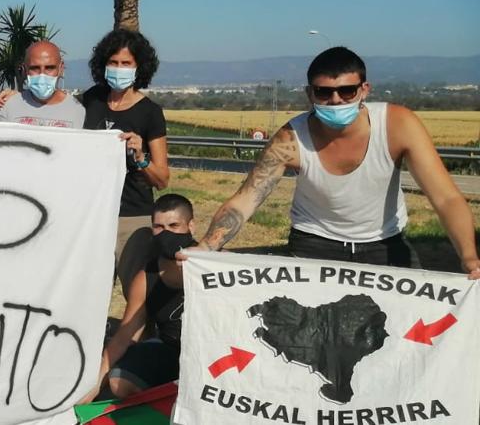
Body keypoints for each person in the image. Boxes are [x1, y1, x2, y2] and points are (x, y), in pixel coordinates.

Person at [192, 47, 480, 278]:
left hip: (384, 243)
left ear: (364, 90)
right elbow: (245, 200)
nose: (335, 100)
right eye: (323, 92)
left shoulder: (398, 124)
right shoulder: (291, 137)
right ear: (309, 94)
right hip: (314, 244)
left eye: (347, 91)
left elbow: (445, 198)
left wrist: (469, 259)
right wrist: (207, 247)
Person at [80, 29, 169, 297]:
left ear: (139, 67)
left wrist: (141, 158)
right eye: (113, 62)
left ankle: (138, 340)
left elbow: (162, 179)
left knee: (136, 293)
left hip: (133, 216)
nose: (118, 69)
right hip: (93, 214)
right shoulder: (90, 100)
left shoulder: (150, 112)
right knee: (91, 292)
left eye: (126, 63)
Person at [98, 194, 194, 398]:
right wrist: (94, 386)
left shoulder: (215, 264)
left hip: (211, 351)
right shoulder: (145, 277)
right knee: (119, 381)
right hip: (171, 349)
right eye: (158, 227)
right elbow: (124, 336)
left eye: (174, 225)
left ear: (191, 226)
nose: (166, 233)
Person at [0, 40, 85, 127]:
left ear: (61, 68)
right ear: (25, 70)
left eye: (49, 68)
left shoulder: (78, 110)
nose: (42, 75)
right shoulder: (9, 106)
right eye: (35, 68)